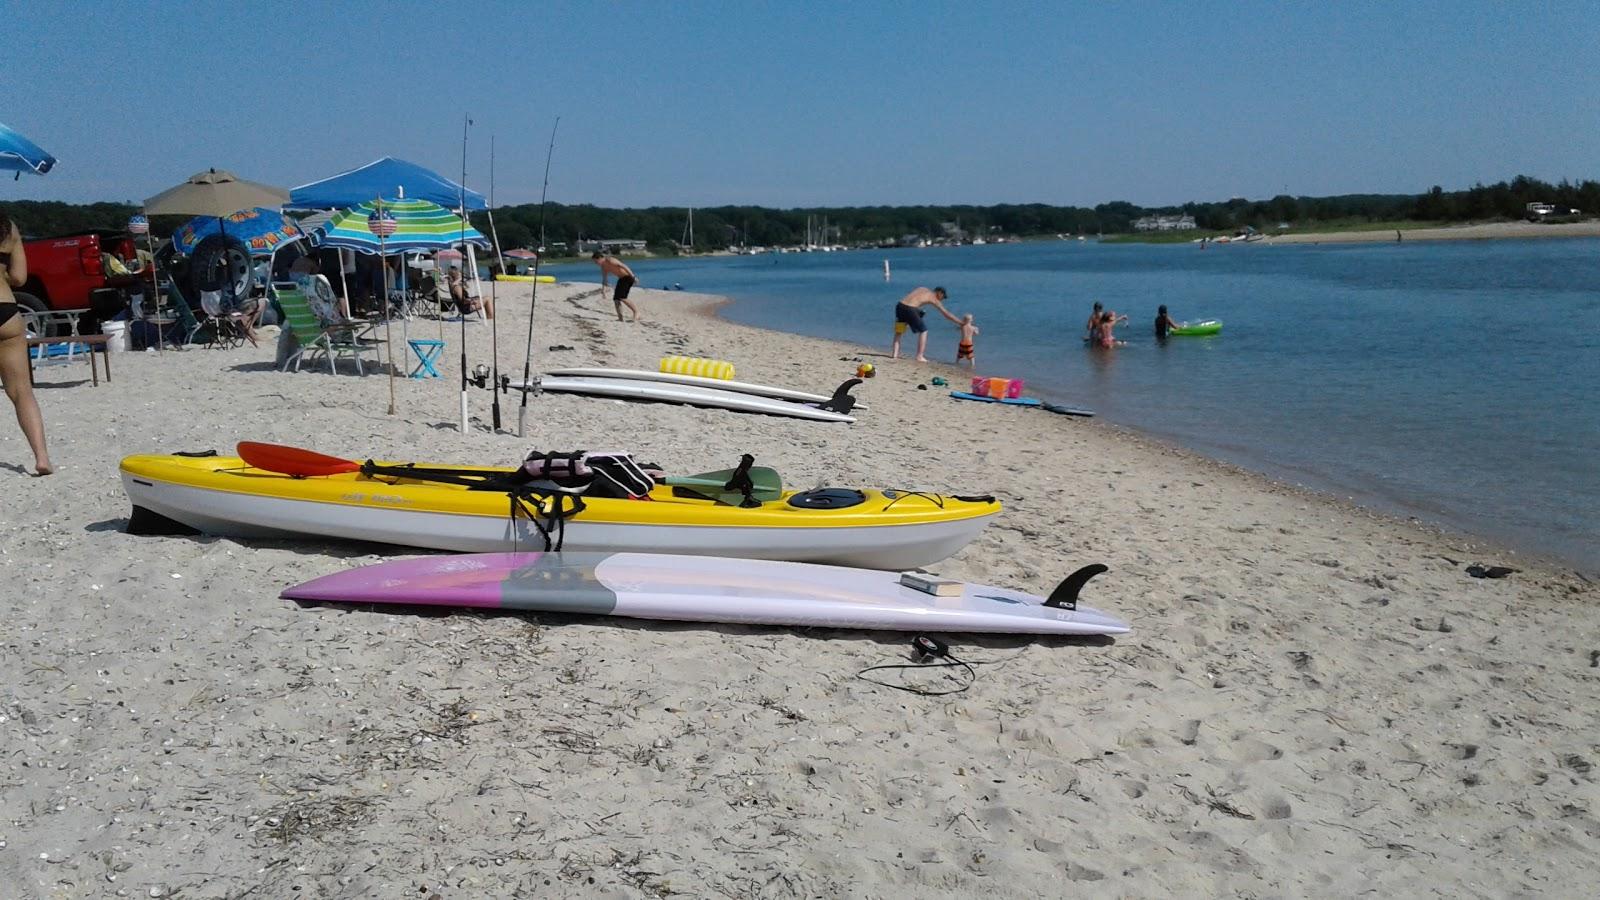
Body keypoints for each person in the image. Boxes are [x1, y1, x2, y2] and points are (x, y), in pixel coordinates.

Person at [0, 213, 53, 475]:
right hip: (6, 310)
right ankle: (42, 457)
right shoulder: (9, 227)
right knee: (22, 391)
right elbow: (19, 278)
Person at [890, 286, 959, 362]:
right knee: (924, 331)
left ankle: (894, 355)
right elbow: (947, 314)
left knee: (899, 332)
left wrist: (917, 312)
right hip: (910, 308)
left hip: (900, 306)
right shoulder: (934, 298)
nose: (942, 299)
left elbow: (913, 299)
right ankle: (919, 356)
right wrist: (961, 323)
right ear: (940, 293)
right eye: (943, 297)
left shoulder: (922, 288)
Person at [592, 251, 639, 322]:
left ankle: (636, 312)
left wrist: (633, 277)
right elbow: (604, 279)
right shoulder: (603, 267)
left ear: (600, 258)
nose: (596, 263)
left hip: (627, 277)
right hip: (621, 279)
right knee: (616, 299)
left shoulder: (610, 260)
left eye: (596, 261)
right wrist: (603, 291)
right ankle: (620, 318)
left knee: (622, 297)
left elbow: (624, 266)